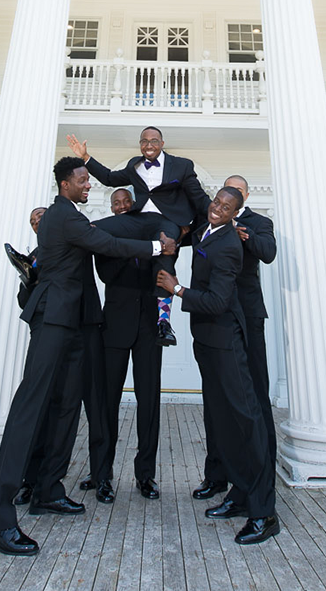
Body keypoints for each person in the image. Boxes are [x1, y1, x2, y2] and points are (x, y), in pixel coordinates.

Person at [0, 157, 176, 557]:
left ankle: (49, 490)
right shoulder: (63, 217)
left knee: (68, 404)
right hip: (53, 319)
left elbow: (107, 239)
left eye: (89, 180)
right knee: (30, 408)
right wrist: (158, 244)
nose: (90, 186)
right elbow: (109, 244)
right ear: (66, 183)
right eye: (85, 180)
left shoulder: (73, 216)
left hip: (75, 326)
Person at [157, 187, 279, 546]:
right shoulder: (205, 232)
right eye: (216, 202)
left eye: (226, 207)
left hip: (227, 341)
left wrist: (177, 290)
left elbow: (219, 301)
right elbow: (188, 200)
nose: (217, 209)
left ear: (234, 213)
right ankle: (239, 496)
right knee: (222, 420)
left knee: (246, 421)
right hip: (207, 342)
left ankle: (263, 512)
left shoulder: (228, 245)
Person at [67, 127, 209, 346]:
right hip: (138, 220)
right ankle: (42, 261)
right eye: (144, 141)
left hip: (166, 221)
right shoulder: (135, 164)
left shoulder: (182, 166)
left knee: (165, 256)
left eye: (153, 141)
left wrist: (203, 224)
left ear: (162, 143)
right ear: (140, 144)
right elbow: (109, 178)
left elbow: (199, 199)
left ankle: (163, 322)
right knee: (93, 228)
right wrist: (85, 157)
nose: (149, 145)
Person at [10, 207, 111, 507]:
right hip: (52, 333)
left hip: (86, 328)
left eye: (41, 217)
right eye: (32, 222)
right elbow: (23, 300)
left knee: (91, 404)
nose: (37, 223)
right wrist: (30, 278)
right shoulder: (38, 255)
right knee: (43, 407)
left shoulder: (76, 235)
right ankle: (32, 482)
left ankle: (101, 476)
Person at [192, 174, 277, 505]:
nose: (223, 204)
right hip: (215, 319)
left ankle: (260, 476)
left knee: (251, 399)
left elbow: (267, 253)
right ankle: (219, 475)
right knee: (217, 402)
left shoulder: (258, 223)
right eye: (221, 197)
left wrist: (247, 235)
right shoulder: (211, 225)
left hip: (245, 317)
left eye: (235, 196)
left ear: (244, 198)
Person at [95, 187, 163, 500]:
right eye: (116, 203)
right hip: (115, 329)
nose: (121, 206)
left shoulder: (152, 233)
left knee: (148, 403)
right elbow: (108, 274)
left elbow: (163, 270)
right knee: (106, 402)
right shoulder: (104, 240)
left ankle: (145, 476)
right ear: (112, 209)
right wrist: (137, 246)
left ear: (133, 207)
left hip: (149, 329)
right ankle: (101, 474)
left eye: (126, 202)